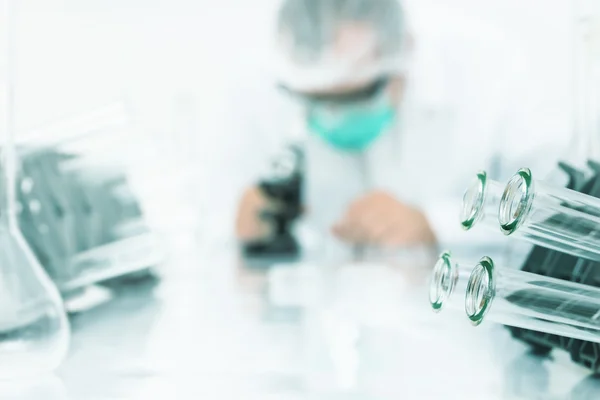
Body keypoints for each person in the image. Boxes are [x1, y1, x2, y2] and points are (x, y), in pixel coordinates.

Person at [229, 0, 568, 259]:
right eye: (316, 100)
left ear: (403, 50)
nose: (332, 117)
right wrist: (254, 229)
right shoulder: (271, 85)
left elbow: (557, 218)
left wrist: (436, 226)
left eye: (356, 95)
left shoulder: (490, 71)